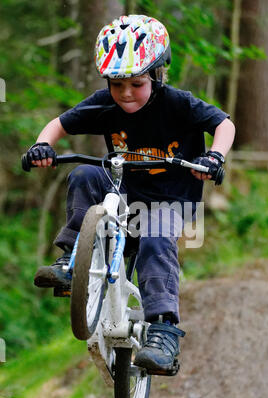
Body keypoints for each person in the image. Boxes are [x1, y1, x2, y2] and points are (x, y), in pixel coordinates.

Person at [26, 15, 235, 375]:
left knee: (156, 239)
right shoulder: (105, 104)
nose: (125, 94)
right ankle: (72, 260)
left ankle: (164, 330)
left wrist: (213, 156)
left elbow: (223, 124)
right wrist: (42, 146)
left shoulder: (177, 104)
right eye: (116, 84)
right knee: (83, 174)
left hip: (169, 202)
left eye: (136, 84)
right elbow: (59, 124)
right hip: (122, 192)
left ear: (156, 75)